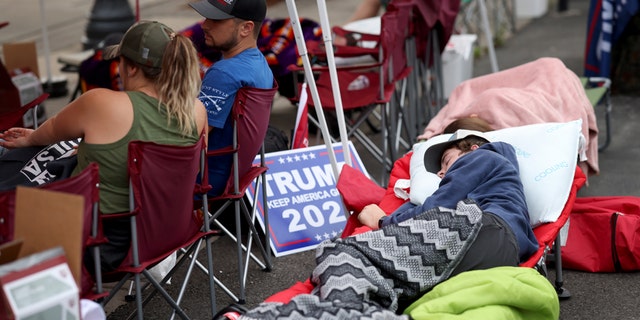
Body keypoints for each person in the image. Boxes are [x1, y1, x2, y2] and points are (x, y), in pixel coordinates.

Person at [219, 130, 537, 319]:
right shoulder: (498, 185)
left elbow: (438, 208)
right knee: (374, 287)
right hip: (484, 248)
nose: (443, 174)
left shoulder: (484, 157)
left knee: (343, 251)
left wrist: (383, 219)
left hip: (478, 229)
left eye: (447, 161)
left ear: (472, 148)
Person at [0, 21, 208, 272]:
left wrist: (29, 139)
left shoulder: (103, 104)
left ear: (131, 68)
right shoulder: (196, 111)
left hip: (96, 244)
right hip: (165, 234)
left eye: (119, 62)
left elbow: (54, 129)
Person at [189, 0, 275, 196]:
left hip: (204, 179)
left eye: (216, 20)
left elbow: (190, 135)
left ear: (246, 28)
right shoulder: (259, 64)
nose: (204, 25)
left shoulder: (224, 72)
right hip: (236, 175)